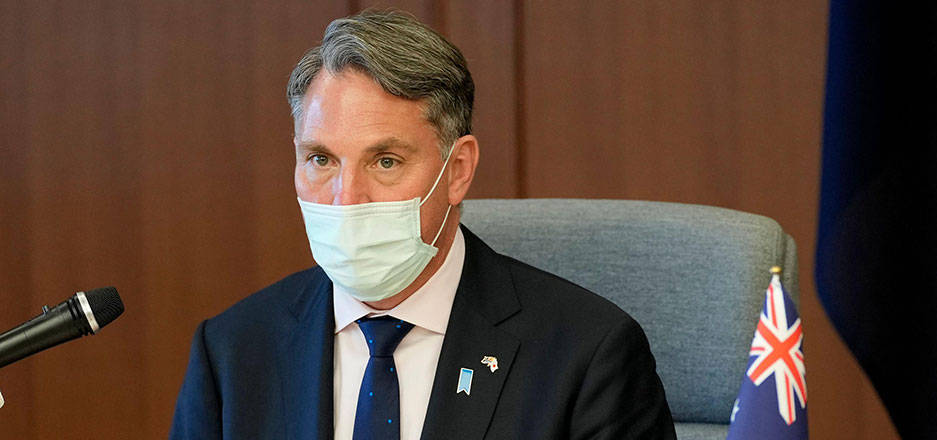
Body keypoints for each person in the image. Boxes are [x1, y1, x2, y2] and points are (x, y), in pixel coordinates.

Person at [169, 10, 675, 440]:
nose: (347, 198)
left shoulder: (587, 354)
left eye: (385, 161)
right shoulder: (233, 352)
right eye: (321, 159)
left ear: (458, 171)